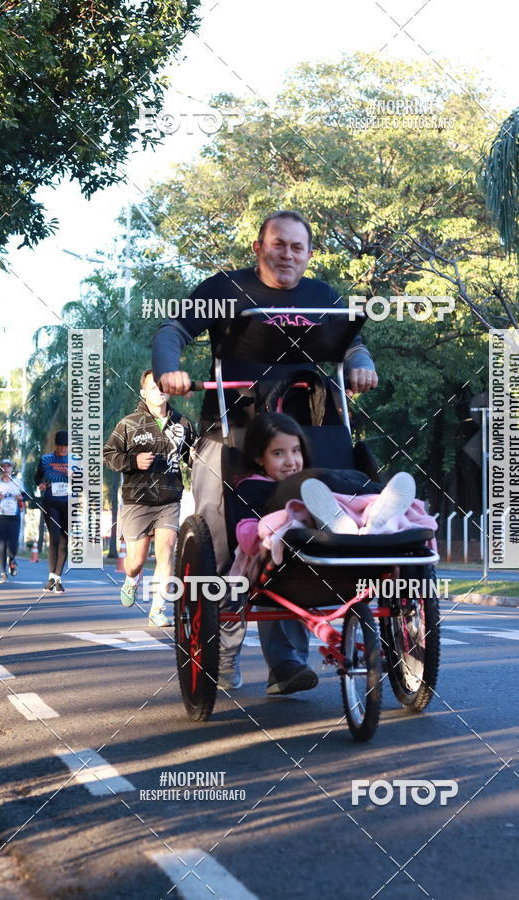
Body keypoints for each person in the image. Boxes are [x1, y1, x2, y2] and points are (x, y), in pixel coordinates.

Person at [152, 210, 379, 689]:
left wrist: (360, 364)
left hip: (301, 430)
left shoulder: (323, 297)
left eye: (297, 247)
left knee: (297, 525)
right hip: (229, 428)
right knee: (218, 532)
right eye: (279, 244)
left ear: (309, 254)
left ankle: (286, 664)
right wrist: (169, 370)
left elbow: (352, 344)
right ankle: (222, 655)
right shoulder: (224, 289)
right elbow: (172, 331)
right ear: (259, 247)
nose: (288, 254)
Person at [225, 413, 428, 693]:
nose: (290, 460)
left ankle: (376, 514)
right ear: (260, 458)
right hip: (289, 557)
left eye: (296, 451)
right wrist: (261, 533)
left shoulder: (313, 476)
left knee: (337, 495)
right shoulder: (252, 486)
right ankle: (341, 519)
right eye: (278, 453)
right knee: (297, 515)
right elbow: (246, 532)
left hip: (338, 546)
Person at [103, 370, 197, 627]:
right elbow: (109, 454)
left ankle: (158, 609)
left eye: (163, 386)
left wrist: (199, 457)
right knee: (137, 561)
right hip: (137, 499)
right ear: (143, 392)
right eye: (153, 387)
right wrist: (132, 461)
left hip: (168, 498)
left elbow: (191, 456)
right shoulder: (129, 423)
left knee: (166, 553)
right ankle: (132, 579)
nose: (159, 390)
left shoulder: (183, 423)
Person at [35, 431, 69, 592]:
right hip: (51, 503)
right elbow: (37, 478)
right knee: (55, 538)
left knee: (65, 540)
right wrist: (40, 484)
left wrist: (76, 476)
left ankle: (57, 579)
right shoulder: (46, 459)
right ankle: (51, 576)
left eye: (66, 446)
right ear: (56, 445)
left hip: (69, 504)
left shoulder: (75, 461)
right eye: (61, 445)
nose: (63, 449)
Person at [0, 460, 25, 583]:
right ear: (1, 469)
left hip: (14, 517)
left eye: (8, 466)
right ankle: (3, 573)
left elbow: (27, 496)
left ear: (12, 469)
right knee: (1, 545)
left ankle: (12, 559)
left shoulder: (17, 482)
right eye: (3, 466)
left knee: (13, 544)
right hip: (0, 517)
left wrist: (21, 497)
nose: (6, 468)